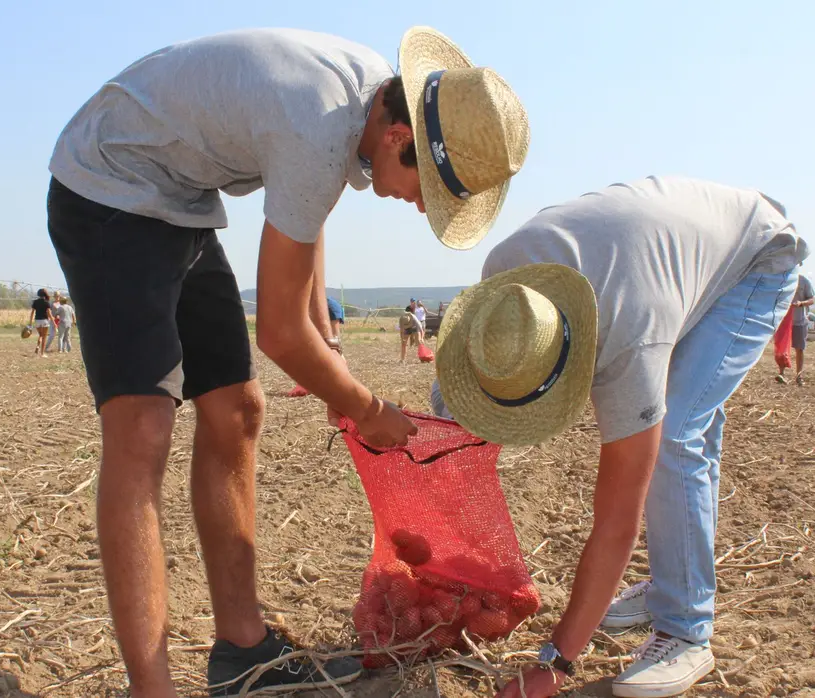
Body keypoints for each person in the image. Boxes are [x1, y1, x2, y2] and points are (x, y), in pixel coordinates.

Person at [44, 26, 529, 698]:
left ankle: (241, 650)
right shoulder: (320, 123)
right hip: (109, 186)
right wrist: (366, 405)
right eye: (431, 193)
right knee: (142, 426)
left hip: (178, 202)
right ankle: (149, 689)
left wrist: (325, 345)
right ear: (397, 139)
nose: (422, 209)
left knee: (237, 408)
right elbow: (277, 331)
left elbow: (312, 209)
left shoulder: (362, 99)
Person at [432, 177, 808, 698]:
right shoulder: (506, 284)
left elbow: (617, 521)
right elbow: (456, 395)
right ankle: (671, 579)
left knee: (676, 437)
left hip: (755, 259)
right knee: (686, 425)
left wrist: (555, 661)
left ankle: (685, 629)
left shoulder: (630, 345)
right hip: (663, 258)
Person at [778, 274, 815, 385]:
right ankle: (781, 374)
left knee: (799, 348)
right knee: (782, 348)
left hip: (799, 321)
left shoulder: (804, 281)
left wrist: (801, 303)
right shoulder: (782, 278)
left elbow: (812, 299)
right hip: (783, 320)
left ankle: (799, 376)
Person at [28, 289, 54, 358]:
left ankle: (37, 346)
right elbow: (49, 313)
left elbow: (32, 312)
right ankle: (42, 353)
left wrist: (30, 322)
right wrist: (54, 323)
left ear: (38, 294)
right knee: (44, 337)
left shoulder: (35, 302)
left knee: (40, 335)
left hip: (37, 321)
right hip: (45, 321)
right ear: (45, 294)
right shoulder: (46, 302)